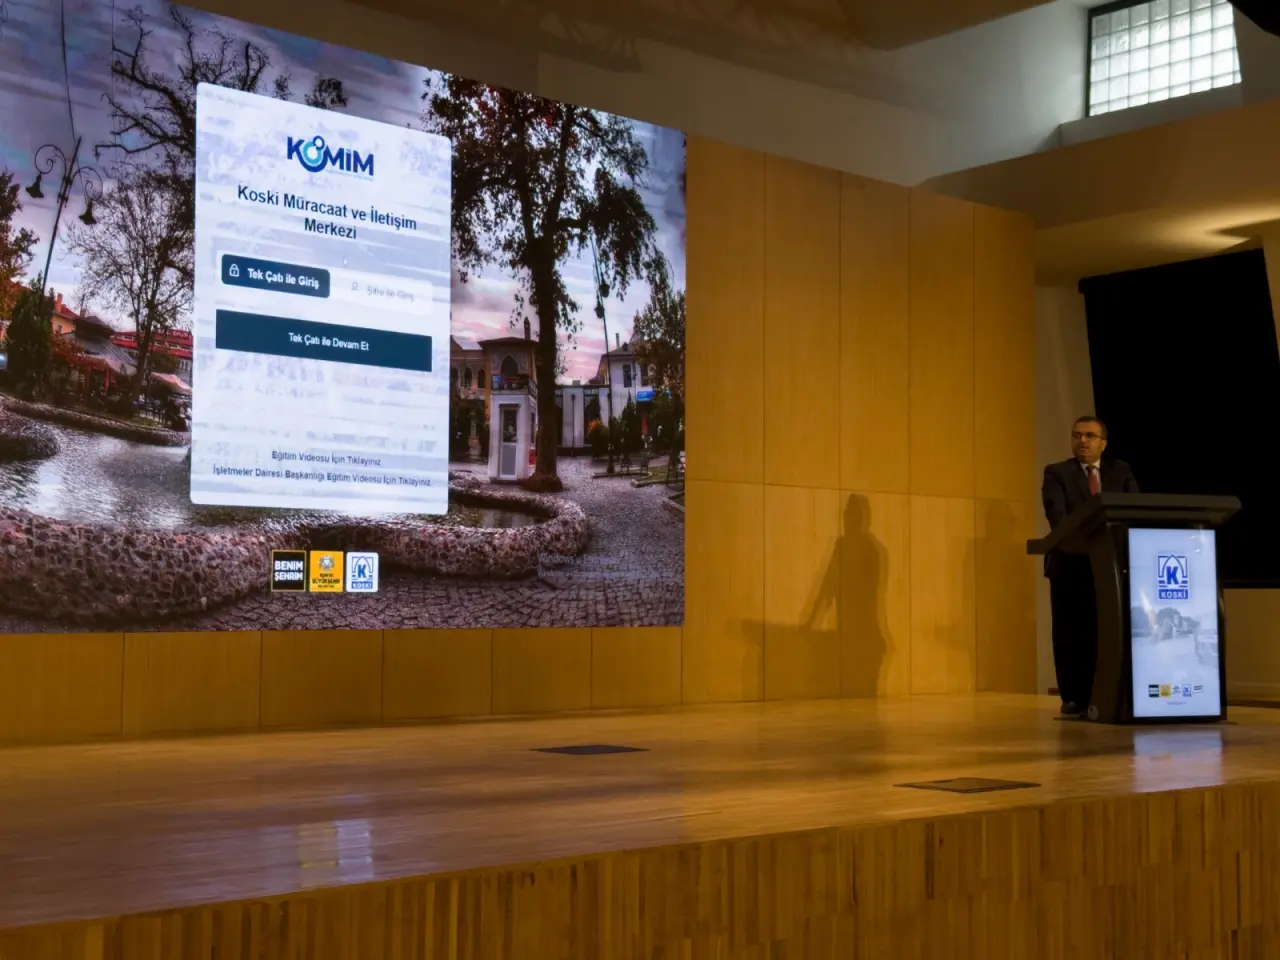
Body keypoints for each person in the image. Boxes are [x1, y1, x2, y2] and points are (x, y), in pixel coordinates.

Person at [1042, 415, 1139, 716]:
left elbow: (1135, 510)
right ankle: (1073, 697)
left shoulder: (1120, 472)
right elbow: (1058, 517)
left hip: (1112, 566)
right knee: (1071, 632)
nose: (1082, 440)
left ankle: (1111, 693)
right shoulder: (1057, 473)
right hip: (1071, 563)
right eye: (1077, 435)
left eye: (1089, 436)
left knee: (1106, 630)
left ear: (1103, 443)